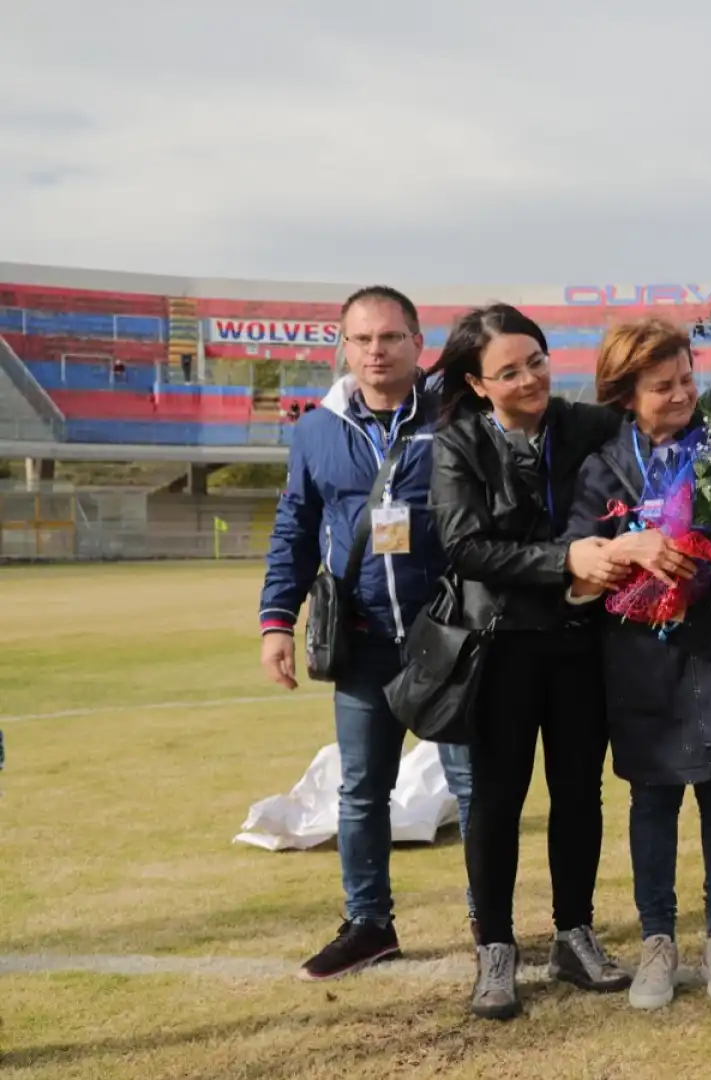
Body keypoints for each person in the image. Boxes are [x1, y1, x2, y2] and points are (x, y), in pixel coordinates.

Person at [258, 285, 474, 980]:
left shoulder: (456, 416)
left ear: (418, 342)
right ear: (344, 347)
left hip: (450, 639)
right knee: (361, 791)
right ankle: (369, 923)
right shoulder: (316, 431)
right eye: (362, 339)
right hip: (363, 640)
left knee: (476, 788)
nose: (376, 351)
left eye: (390, 337)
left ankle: (488, 922)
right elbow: (294, 527)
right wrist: (275, 622)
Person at [429, 303, 634, 1020]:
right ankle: (497, 952)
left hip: (580, 646)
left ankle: (575, 936)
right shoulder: (456, 443)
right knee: (496, 802)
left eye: (537, 361)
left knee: (580, 793)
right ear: (478, 384)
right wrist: (564, 559)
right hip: (501, 647)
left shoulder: (588, 426)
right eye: (508, 372)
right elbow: (466, 546)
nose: (529, 379)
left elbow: (662, 420)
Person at [562, 320, 711, 1011]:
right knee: (653, 802)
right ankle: (657, 941)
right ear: (625, 394)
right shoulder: (600, 468)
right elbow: (576, 581)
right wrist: (630, 549)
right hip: (639, 660)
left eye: (686, 380)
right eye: (661, 385)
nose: (679, 395)